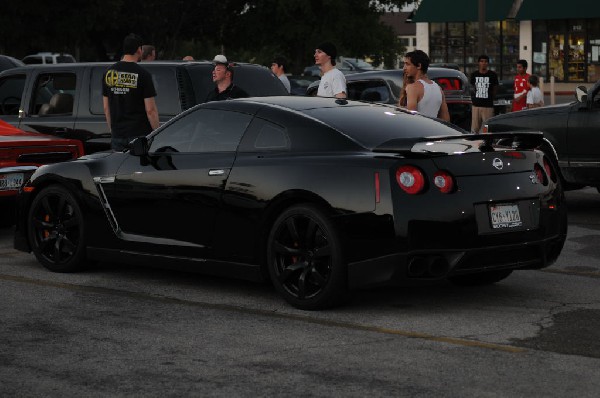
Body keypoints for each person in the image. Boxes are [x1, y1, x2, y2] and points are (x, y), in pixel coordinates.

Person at [103, 33, 159, 151]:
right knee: (139, 168)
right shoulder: (143, 74)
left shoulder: (108, 73)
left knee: (119, 169)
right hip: (139, 135)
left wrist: (113, 130)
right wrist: (157, 133)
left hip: (118, 135)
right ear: (139, 50)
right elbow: (151, 110)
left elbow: (106, 108)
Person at [403, 49, 450, 121]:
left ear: (419, 66)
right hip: (434, 130)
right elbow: (446, 119)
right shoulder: (438, 88)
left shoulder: (412, 88)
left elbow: (411, 120)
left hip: (419, 131)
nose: (404, 68)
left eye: (407, 64)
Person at [469, 54, 499, 133]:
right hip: (476, 105)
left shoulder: (492, 75)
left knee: (487, 128)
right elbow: (472, 88)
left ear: (488, 63)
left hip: (488, 106)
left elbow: (495, 88)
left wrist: (491, 98)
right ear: (479, 63)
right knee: (474, 129)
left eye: (485, 61)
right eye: (482, 61)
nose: (483, 63)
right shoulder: (474, 75)